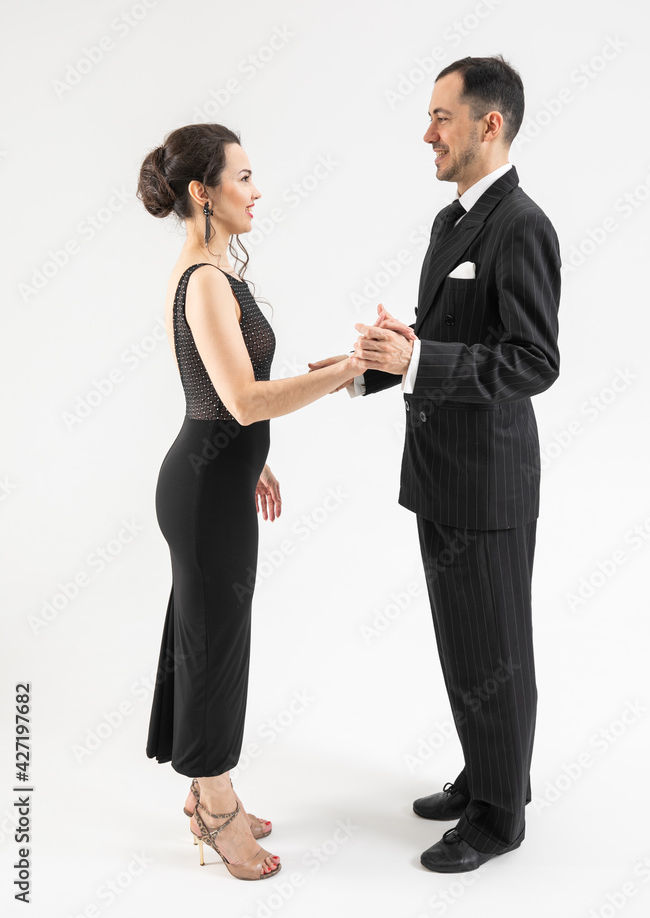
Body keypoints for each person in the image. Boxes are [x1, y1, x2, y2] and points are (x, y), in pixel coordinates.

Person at [310, 55, 561, 872]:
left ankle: (498, 815)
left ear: (489, 124)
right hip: (439, 471)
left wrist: (419, 362)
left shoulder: (522, 225)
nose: (427, 133)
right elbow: (443, 341)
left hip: (488, 482)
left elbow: (530, 361)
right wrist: (381, 360)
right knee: (463, 644)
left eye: (440, 117)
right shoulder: (448, 222)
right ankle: (483, 771)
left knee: (496, 647)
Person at [136, 124, 366, 881]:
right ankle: (212, 803)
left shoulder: (210, 271)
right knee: (214, 648)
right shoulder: (203, 279)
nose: (256, 190)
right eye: (243, 177)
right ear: (203, 192)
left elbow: (222, 400)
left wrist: (252, 464)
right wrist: (346, 372)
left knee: (208, 635)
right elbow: (239, 398)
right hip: (203, 492)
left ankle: (212, 783)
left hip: (218, 479)